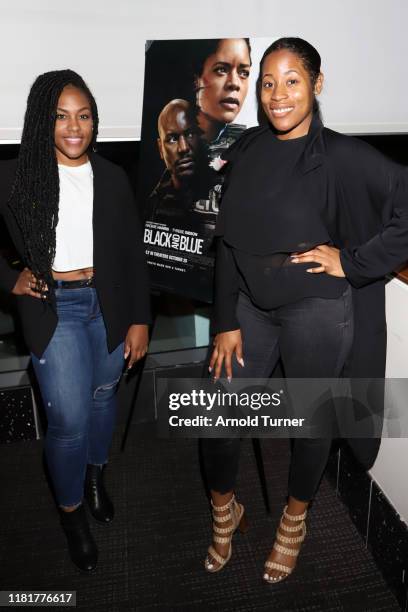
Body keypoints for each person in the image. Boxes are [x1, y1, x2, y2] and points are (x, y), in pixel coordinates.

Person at [201, 37, 408, 583]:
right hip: (249, 308)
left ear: (317, 85)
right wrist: (223, 320)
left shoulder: (343, 155)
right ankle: (225, 511)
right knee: (218, 420)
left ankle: (295, 520)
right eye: (267, 82)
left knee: (310, 424)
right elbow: (227, 242)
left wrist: (356, 262)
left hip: (318, 311)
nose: (277, 95)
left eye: (292, 80)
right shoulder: (246, 149)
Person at [0, 70, 151, 572]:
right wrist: (10, 279)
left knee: (105, 394)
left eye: (83, 116)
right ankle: (71, 516)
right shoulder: (15, 177)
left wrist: (140, 320)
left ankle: (94, 476)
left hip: (107, 306)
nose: (73, 126)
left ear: (95, 121)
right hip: (53, 308)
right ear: (43, 121)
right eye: (61, 116)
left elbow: (132, 253)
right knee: (67, 420)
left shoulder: (111, 177)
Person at [191, 38, 252, 225]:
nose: (235, 83)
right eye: (221, 70)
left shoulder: (250, 147)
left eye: (243, 72)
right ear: (197, 80)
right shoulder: (178, 148)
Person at [148, 99, 208, 225]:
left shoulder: (223, 195)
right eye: (173, 139)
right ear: (160, 149)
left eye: (190, 134)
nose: (183, 148)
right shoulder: (151, 207)